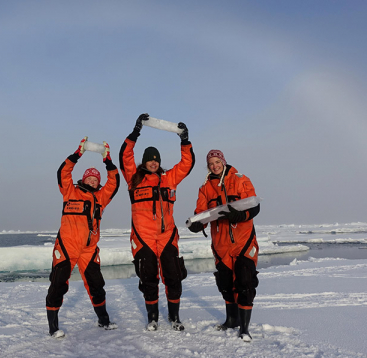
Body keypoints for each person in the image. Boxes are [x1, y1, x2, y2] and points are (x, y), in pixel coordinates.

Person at [119, 113, 195, 331]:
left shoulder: (169, 178)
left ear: (159, 162)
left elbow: (187, 163)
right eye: (150, 159)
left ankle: (174, 317)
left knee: (173, 278)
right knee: (149, 279)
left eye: (156, 159)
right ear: (144, 161)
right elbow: (125, 155)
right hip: (143, 238)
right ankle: (152, 318)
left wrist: (185, 140)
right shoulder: (134, 177)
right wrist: (136, 131)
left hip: (167, 236)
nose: (153, 162)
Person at [46, 137, 120, 338]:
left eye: (96, 179)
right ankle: (53, 327)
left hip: (89, 250)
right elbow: (63, 172)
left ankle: (103, 320)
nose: (93, 181)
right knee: (58, 285)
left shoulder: (101, 198)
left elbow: (114, 182)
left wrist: (108, 161)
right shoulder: (69, 191)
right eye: (90, 178)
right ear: (84, 179)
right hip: (67, 247)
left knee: (97, 285)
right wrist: (77, 153)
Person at [188, 149, 260, 341]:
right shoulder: (205, 188)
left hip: (243, 241)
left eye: (217, 162)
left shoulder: (240, 179)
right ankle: (231, 319)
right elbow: (202, 214)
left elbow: (254, 206)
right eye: (211, 164)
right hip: (221, 245)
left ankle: (244, 328)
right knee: (225, 284)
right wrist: (196, 225)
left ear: (223, 161)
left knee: (245, 283)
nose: (214, 166)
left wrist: (240, 215)